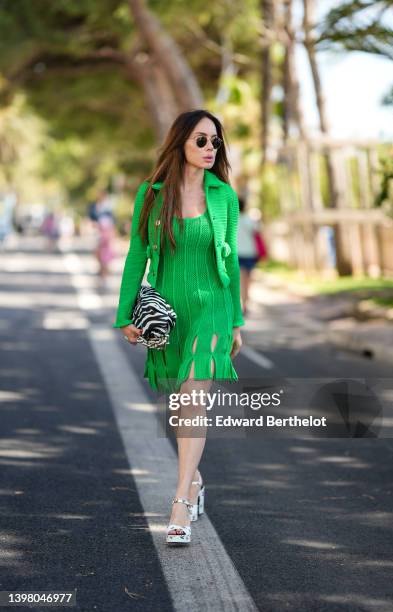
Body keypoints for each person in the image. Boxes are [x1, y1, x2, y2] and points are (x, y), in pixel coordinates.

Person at [112, 109, 245, 545]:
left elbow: (229, 261)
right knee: (181, 405)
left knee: (192, 396)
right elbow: (137, 255)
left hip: (212, 308)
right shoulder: (152, 196)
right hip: (169, 310)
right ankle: (195, 481)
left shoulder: (224, 196)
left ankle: (180, 503)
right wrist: (125, 313)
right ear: (181, 143)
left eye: (216, 142)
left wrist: (237, 320)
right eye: (202, 141)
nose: (211, 149)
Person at [237, 196, 260, 316]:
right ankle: (245, 305)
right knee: (248, 282)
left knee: (241, 281)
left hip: (238, 253)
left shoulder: (232, 219)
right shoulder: (249, 219)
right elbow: (257, 231)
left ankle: (242, 305)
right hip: (250, 253)